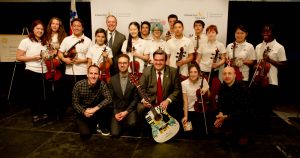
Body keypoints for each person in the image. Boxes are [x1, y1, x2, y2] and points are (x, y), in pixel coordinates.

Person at [250, 23, 287, 131]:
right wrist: (255, 66)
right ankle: (256, 127)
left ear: (272, 33)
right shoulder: (258, 46)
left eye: (268, 31)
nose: (265, 34)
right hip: (257, 80)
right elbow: (256, 63)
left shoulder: (279, 47)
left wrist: (270, 60)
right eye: (264, 32)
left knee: (266, 107)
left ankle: (265, 128)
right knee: (256, 105)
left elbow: (284, 65)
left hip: (270, 81)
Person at [137, 49, 182, 136]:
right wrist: (143, 100)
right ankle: (146, 131)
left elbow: (177, 89)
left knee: (176, 106)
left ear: (165, 61)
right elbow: (140, 88)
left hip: (165, 103)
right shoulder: (147, 71)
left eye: (161, 60)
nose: (158, 62)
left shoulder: (173, 71)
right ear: (153, 60)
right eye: (156, 60)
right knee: (140, 108)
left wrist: (168, 100)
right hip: (151, 102)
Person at [16, 19, 49, 126]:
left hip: (44, 71)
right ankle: (35, 116)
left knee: (44, 95)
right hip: (31, 71)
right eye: (37, 28)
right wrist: (33, 58)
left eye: (42, 29)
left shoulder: (45, 41)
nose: (40, 31)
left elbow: (47, 55)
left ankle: (44, 114)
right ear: (33, 29)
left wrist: (49, 55)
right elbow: (19, 57)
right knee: (34, 95)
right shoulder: (26, 41)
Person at [214, 66, 253, 147]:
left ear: (235, 75)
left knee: (239, 144)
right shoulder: (222, 87)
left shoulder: (243, 88)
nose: (227, 76)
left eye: (229, 73)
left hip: (243, 116)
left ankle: (244, 134)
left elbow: (244, 110)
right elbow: (221, 102)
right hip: (229, 115)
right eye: (224, 74)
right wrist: (221, 113)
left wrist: (225, 117)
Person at [58, 18, 92, 109]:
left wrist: (81, 61)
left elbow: (90, 58)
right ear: (72, 27)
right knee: (70, 94)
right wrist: (64, 59)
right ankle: (73, 113)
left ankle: (82, 112)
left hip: (83, 72)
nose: (76, 27)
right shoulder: (67, 39)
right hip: (69, 72)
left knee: (83, 94)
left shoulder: (88, 40)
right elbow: (60, 52)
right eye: (74, 26)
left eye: (79, 26)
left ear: (83, 28)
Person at [72, 64, 112, 139]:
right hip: (82, 113)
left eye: (96, 74)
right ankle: (91, 124)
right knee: (85, 134)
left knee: (108, 107)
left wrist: (95, 109)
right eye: (91, 73)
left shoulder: (102, 84)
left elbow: (109, 98)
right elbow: (75, 103)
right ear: (87, 74)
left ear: (99, 75)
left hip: (96, 111)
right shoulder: (79, 85)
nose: (93, 76)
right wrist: (84, 111)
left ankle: (99, 124)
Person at [196, 24, 227, 113]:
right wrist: (198, 70)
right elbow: (198, 59)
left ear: (216, 33)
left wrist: (217, 65)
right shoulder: (202, 45)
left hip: (214, 72)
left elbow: (223, 59)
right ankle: (201, 108)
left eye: (213, 32)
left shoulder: (220, 45)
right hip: (202, 72)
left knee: (212, 92)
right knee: (202, 92)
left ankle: (211, 109)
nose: (211, 34)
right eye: (209, 32)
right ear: (206, 34)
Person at [109, 54, 139, 137]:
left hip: (129, 110)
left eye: (125, 63)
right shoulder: (112, 80)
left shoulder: (135, 78)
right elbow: (110, 99)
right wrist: (115, 113)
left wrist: (126, 112)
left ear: (129, 64)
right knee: (115, 134)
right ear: (117, 64)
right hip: (117, 110)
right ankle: (120, 123)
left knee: (132, 124)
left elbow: (135, 99)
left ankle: (126, 122)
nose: (122, 65)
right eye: (120, 63)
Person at [43, 17, 67, 121]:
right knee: (49, 91)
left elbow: (65, 51)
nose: (55, 25)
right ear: (50, 25)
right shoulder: (45, 36)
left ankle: (60, 113)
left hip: (59, 65)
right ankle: (50, 113)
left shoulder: (64, 36)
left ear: (60, 26)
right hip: (47, 65)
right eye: (53, 23)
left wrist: (59, 55)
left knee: (59, 90)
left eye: (57, 24)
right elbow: (43, 50)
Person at [181, 63, 210, 139]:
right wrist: (185, 116)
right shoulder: (183, 83)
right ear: (188, 73)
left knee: (200, 135)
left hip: (200, 111)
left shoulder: (203, 81)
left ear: (198, 73)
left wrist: (206, 89)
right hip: (188, 111)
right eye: (191, 72)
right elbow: (185, 101)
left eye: (195, 72)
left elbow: (209, 96)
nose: (193, 74)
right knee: (188, 134)